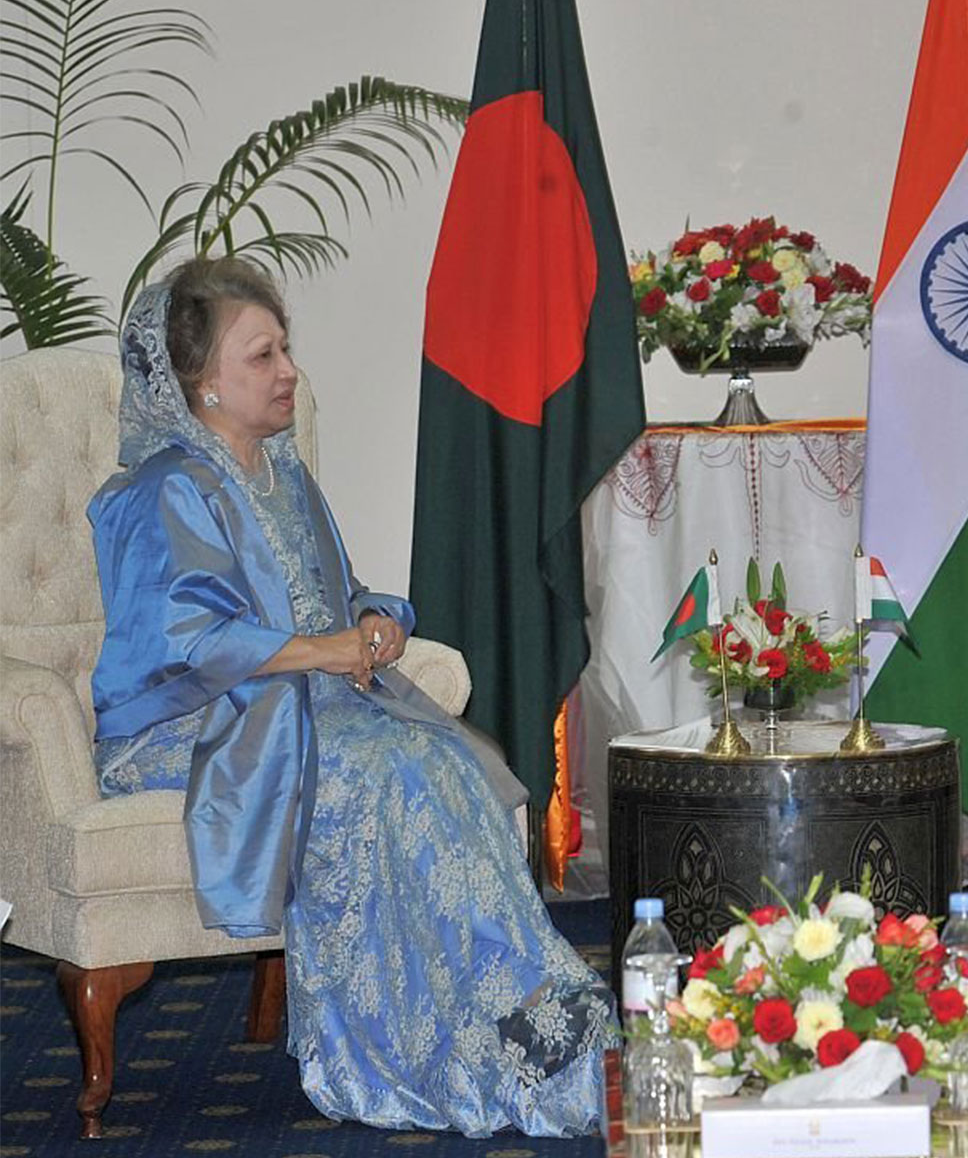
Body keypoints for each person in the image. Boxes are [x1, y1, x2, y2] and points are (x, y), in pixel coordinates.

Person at [89, 258, 618, 1138]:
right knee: (393, 769)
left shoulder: (280, 473)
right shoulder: (165, 490)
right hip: (192, 724)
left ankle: (531, 1018)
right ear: (203, 386)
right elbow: (182, 646)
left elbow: (334, 593)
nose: (289, 370)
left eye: (285, 348)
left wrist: (373, 622)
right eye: (262, 356)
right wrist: (320, 650)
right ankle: (438, 1047)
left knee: (441, 754)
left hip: (295, 704)